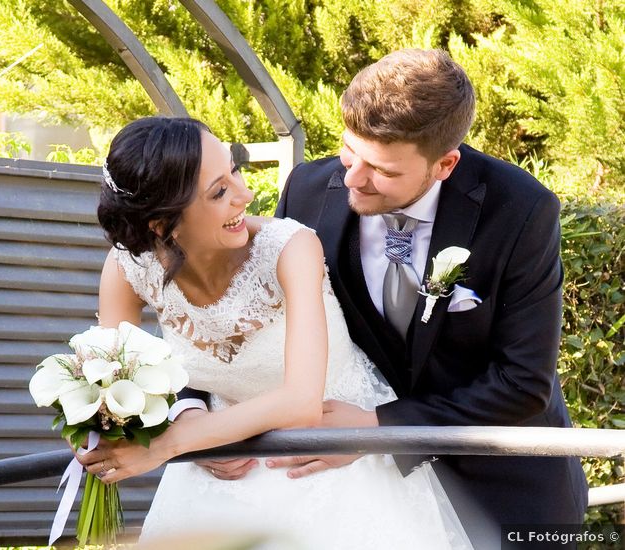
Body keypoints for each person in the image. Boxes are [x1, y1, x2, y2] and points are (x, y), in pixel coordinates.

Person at [218, 48, 584, 548]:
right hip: (362, 501)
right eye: (349, 151)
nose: (351, 178)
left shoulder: (521, 209)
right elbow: (240, 317)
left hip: (502, 490)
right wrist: (194, 409)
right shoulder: (306, 190)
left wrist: (377, 428)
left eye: (383, 171)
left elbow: (522, 383)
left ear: (445, 164)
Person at [78, 116, 472, 548]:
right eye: (219, 192)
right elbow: (105, 388)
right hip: (215, 468)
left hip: (331, 461)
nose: (245, 195)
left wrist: (168, 445)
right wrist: (97, 433)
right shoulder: (125, 270)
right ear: (160, 224)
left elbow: (301, 402)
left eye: (234, 170)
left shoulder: (290, 247)